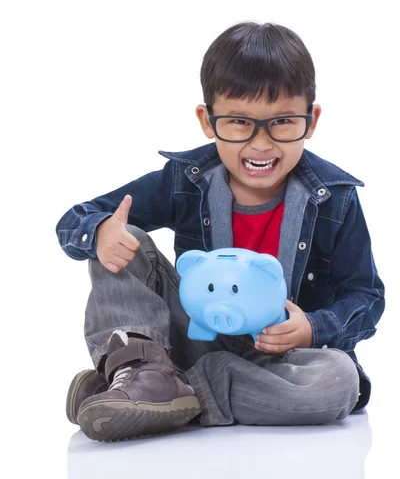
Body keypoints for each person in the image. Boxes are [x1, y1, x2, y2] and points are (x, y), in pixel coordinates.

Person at [56, 22, 385, 442]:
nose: (261, 144)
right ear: (208, 121)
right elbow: (77, 217)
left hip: (280, 358)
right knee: (123, 237)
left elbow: (366, 295)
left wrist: (314, 328)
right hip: (194, 337)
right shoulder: (185, 180)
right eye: (239, 122)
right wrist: (99, 230)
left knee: (339, 381)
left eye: (283, 121)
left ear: (312, 118)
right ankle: (139, 371)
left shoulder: (334, 199)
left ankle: (175, 394)